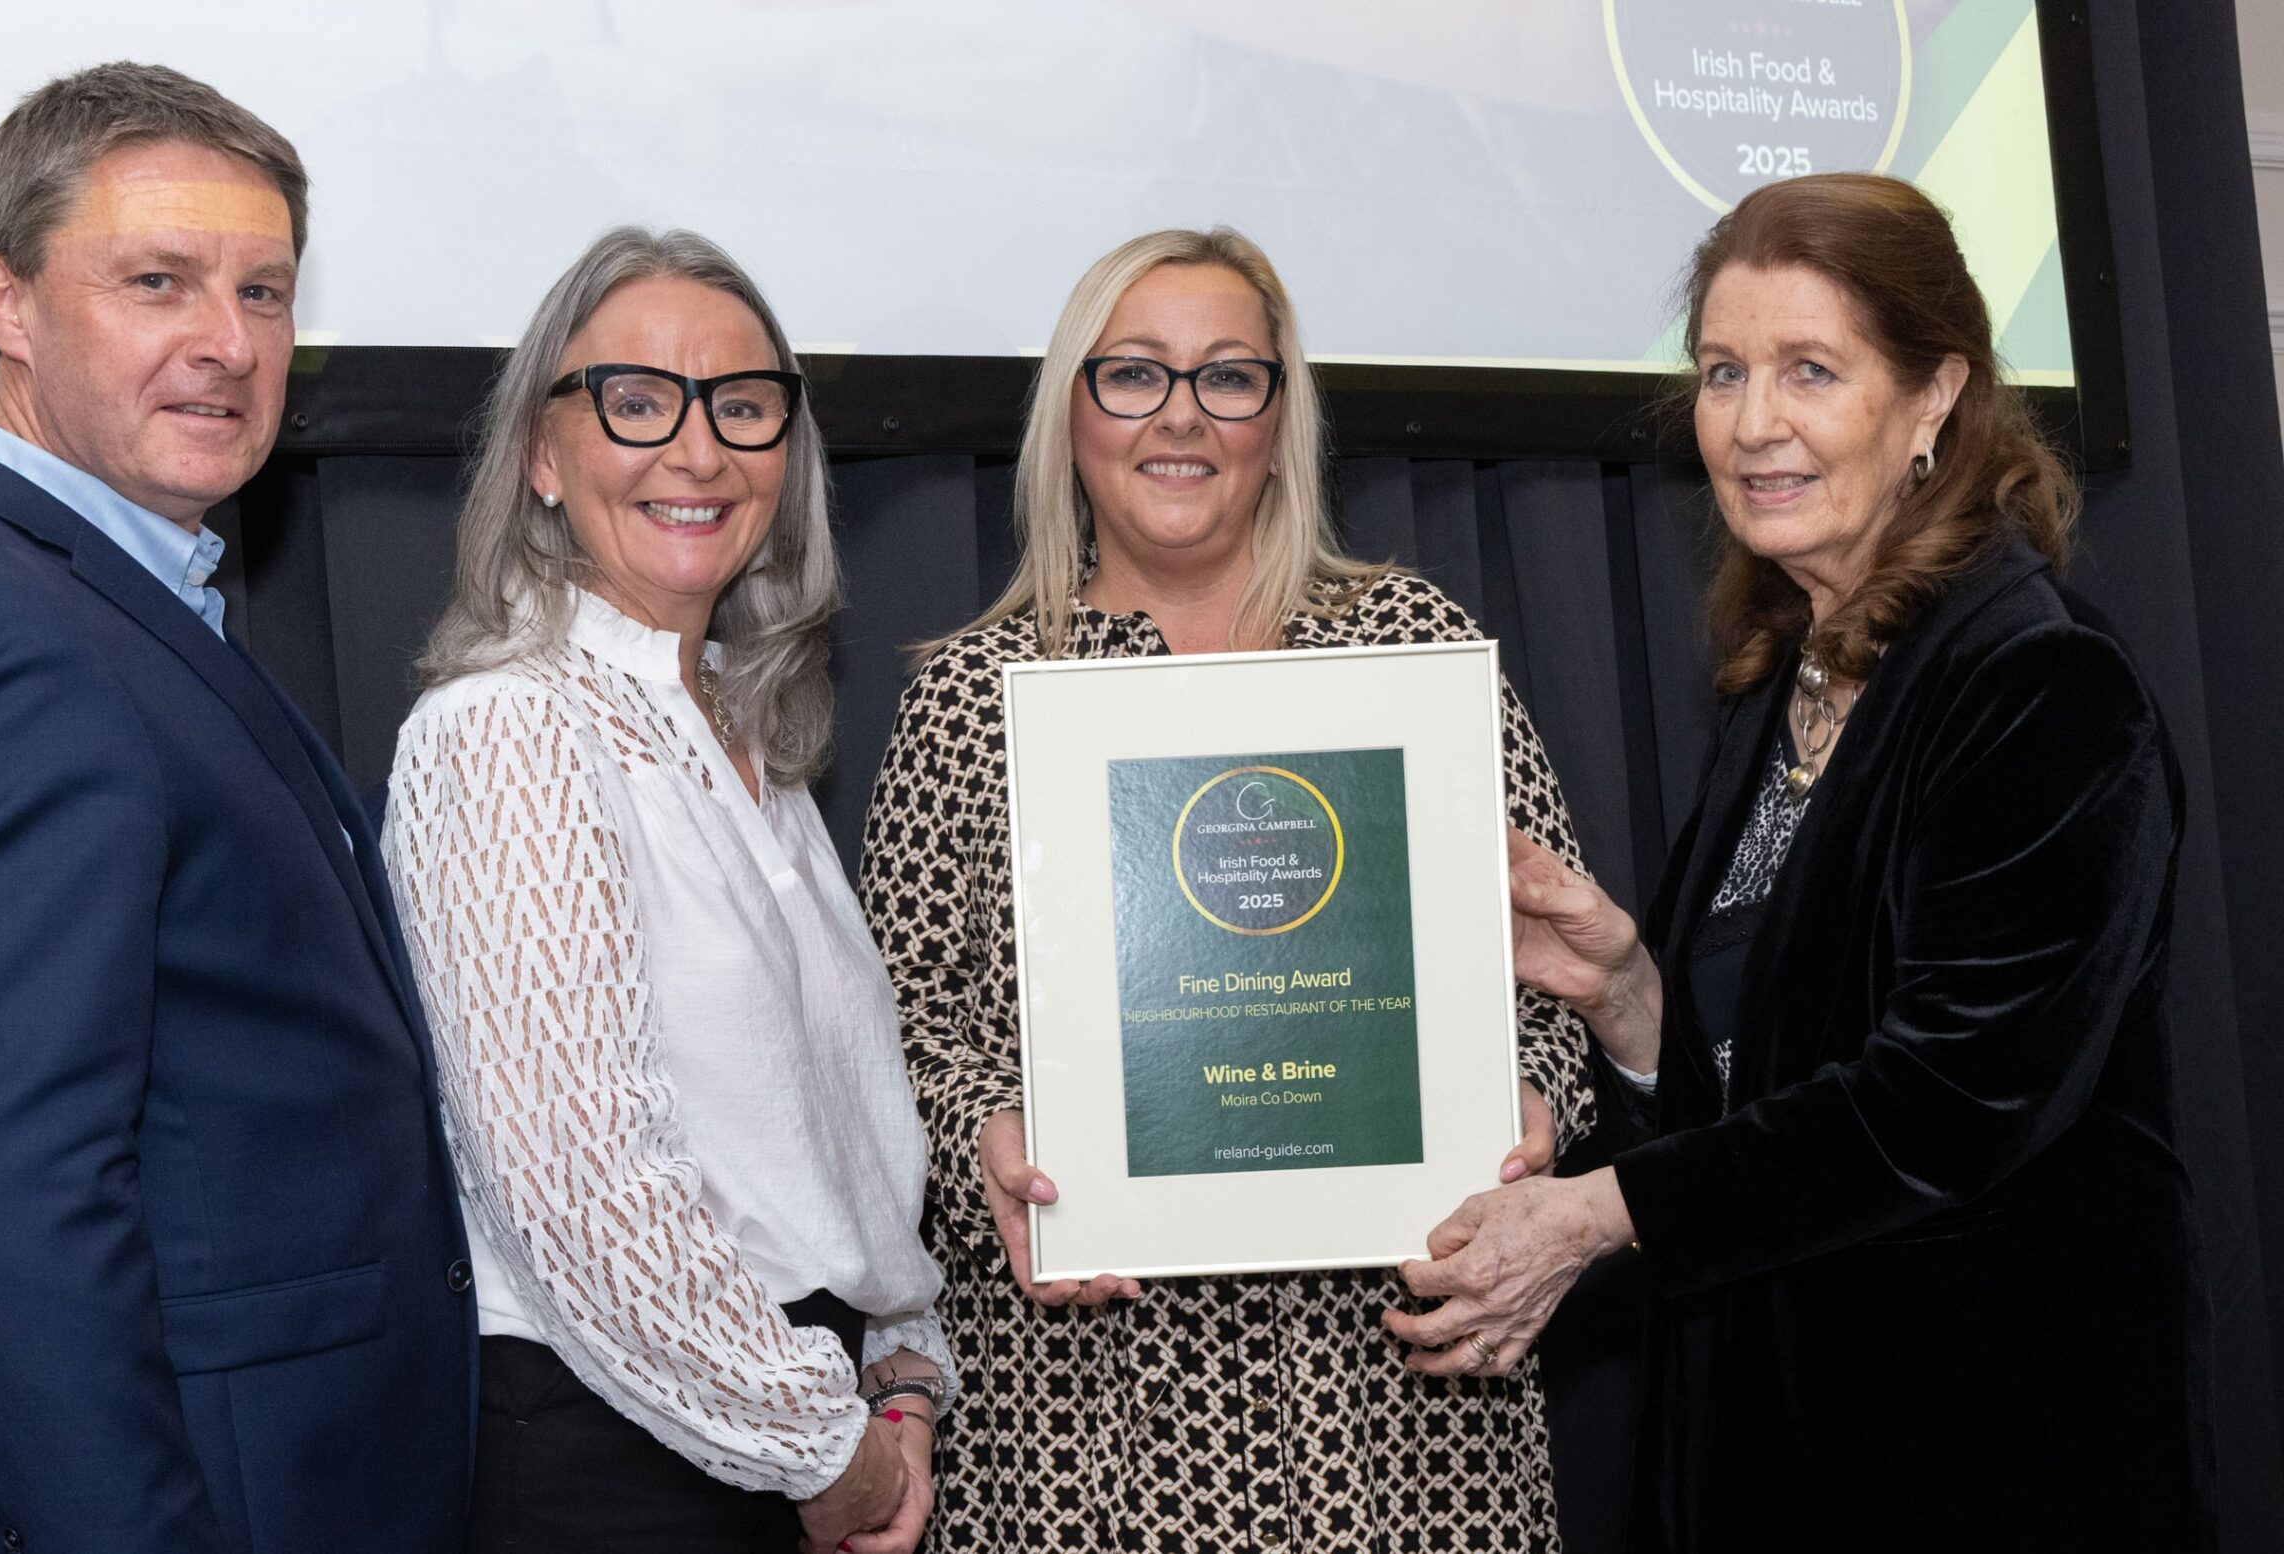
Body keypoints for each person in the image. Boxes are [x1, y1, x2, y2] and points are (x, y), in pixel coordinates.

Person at [1388, 173, 2215, 1552]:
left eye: (1810, 371)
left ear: (1935, 397)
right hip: (1785, 1444)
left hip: (1988, 1454)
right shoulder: (1791, 678)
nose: (1752, 421)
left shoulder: (2045, 690)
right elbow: (1773, 1079)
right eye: (1723, 371)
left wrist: (1593, 1214)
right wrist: (1631, 999)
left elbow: (1941, 1105)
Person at [0, 63, 475, 1554]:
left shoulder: (121, 600)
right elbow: (16, 1204)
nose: (228, 342)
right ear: (7, 301)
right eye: (158, 281)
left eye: (264, 291)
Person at [858, 226, 1599, 1552]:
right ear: (1072, 412)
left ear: (1280, 413)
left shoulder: (1407, 651)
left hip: (1405, 1395)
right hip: (1084, 1417)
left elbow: (1553, 961)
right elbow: (897, 1021)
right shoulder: (970, 700)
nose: (1181, 416)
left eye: (1228, 376)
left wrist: (1531, 1102)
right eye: (1134, 373)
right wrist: (985, 1146)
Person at [380, 227, 952, 1554]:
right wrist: (824, 1451)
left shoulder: (749, 736)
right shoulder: (507, 729)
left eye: (742, 405)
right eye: (636, 401)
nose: (698, 452)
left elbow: (842, 1141)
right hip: (617, 1464)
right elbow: (581, 1198)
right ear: (542, 454)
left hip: (798, 1418)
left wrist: (900, 1374)